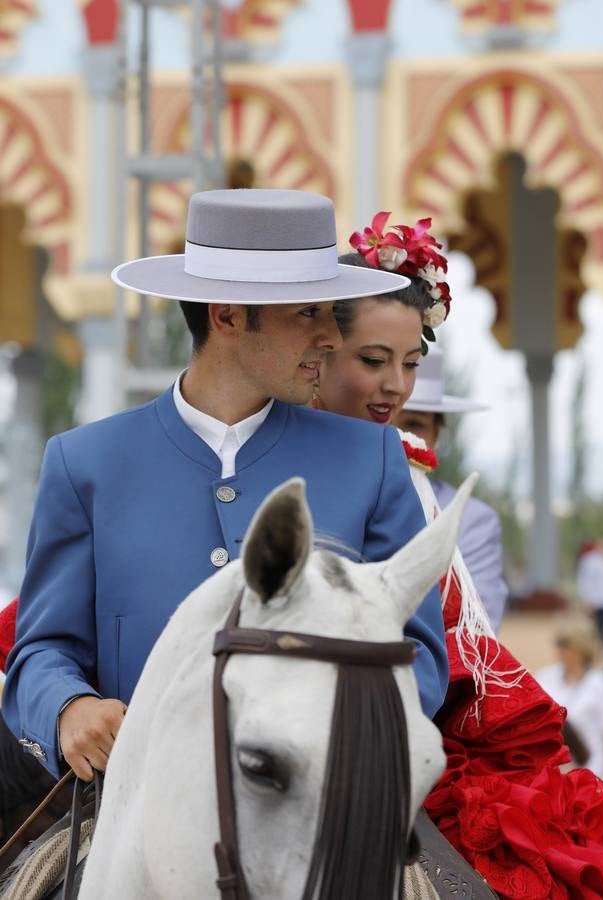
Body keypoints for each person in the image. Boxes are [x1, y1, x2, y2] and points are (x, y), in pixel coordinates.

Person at [3, 189, 448, 783]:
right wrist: (68, 707)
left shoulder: (372, 459)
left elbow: (418, 656)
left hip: (325, 805)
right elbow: (40, 651)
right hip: (128, 808)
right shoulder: (84, 462)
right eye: (308, 313)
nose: (331, 338)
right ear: (228, 316)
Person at [315, 210, 603, 898]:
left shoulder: (438, 506)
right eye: (374, 361)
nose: (395, 388)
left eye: (410, 367)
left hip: (409, 725)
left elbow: (452, 647)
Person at [394, 350, 508, 632]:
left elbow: (476, 624)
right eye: (385, 417)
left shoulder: (472, 519)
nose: (396, 433)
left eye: (413, 424)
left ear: (438, 433)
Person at [536, 617, 603, 780]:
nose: (560, 649)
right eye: (558, 643)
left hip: (590, 769)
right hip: (551, 768)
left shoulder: (599, 682)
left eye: (565, 644)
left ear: (581, 647)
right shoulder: (545, 676)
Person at [575, 538, 603, 645]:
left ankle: (601, 645)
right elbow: (584, 579)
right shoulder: (589, 560)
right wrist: (586, 597)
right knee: (594, 625)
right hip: (595, 599)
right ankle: (593, 645)